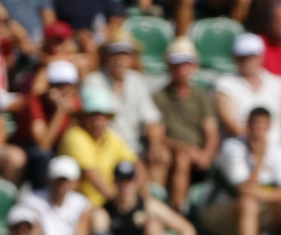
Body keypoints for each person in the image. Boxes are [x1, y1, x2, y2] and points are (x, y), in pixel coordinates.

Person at [206, 107, 281, 235]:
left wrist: (261, 194)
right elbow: (244, 190)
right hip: (218, 211)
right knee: (248, 204)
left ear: (269, 128)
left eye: (263, 127)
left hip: (257, 210)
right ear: (247, 126)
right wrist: (259, 161)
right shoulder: (232, 147)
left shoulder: (276, 150)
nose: (259, 132)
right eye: (255, 126)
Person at [82, 32, 167, 179]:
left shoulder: (137, 81)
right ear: (106, 56)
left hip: (135, 147)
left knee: (161, 156)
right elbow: (91, 122)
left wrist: (155, 144)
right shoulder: (93, 82)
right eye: (114, 53)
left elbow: (151, 119)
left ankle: (155, 190)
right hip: (106, 147)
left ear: (132, 58)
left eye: (125, 53)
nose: (119, 59)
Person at [97, 160, 196, 235]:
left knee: (153, 226)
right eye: (121, 180)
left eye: (129, 180)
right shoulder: (104, 212)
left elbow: (187, 229)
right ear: (114, 182)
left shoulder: (148, 206)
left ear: (135, 182)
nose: (125, 185)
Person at [153, 38, 220, 212]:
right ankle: (178, 210)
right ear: (169, 66)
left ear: (194, 66)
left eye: (186, 64)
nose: (181, 69)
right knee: (179, 159)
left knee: (183, 159)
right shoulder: (160, 96)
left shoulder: (201, 95)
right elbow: (158, 136)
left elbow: (211, 131)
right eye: (177, 64)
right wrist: (187, 149)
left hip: (197, 152)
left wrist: (207, 154)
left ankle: (176, 209)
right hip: (175, 149)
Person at [57, 86, 139, 208]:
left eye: (101, 116)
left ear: (107, 119)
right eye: (92, 115)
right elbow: (91, 174)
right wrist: (119, 203)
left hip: (112, 202)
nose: (97, 121)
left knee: (156, 211)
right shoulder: (74, 136)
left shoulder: (111, 136)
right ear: (82, 118)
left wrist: (138, 197)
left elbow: (136, 163)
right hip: (86, 205)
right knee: (100, 217)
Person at [215, 33, 281, 146]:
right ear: (235, 57)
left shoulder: (279, 84)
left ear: (261, 56)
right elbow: (232, 127)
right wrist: (259, 145)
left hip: (277, 148)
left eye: (252, 55)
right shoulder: (224, 85)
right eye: (243, 56)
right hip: (241, 146)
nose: (248, 60)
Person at [14, 59, 78, 190]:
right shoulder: (34, 101)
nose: (63, 90)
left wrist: (71, 114)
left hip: (56, 148)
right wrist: (60, 111)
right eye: (58, 85)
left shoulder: (75, 103)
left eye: (67, 85)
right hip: (28, 147)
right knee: (43, 157)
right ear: (49, 86)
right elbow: (43, 145)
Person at [22, 155, 92, 235]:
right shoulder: (33, 201)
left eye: (66, 180)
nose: (62, 184)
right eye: (58, 179)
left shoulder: (81, 204)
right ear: (49, 179)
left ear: (75, 182)